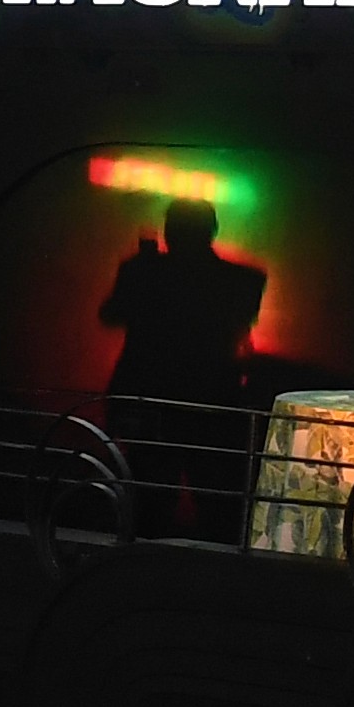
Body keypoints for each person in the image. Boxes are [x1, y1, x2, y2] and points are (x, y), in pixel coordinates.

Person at [99, 193, 268, 538]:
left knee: (150, 499)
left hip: (152, 397)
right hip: (211, 399)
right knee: (216, 502)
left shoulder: (144, 272)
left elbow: (111, 315)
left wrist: (142, 272)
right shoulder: (244, 279)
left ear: (169, 230)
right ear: (212, 229)